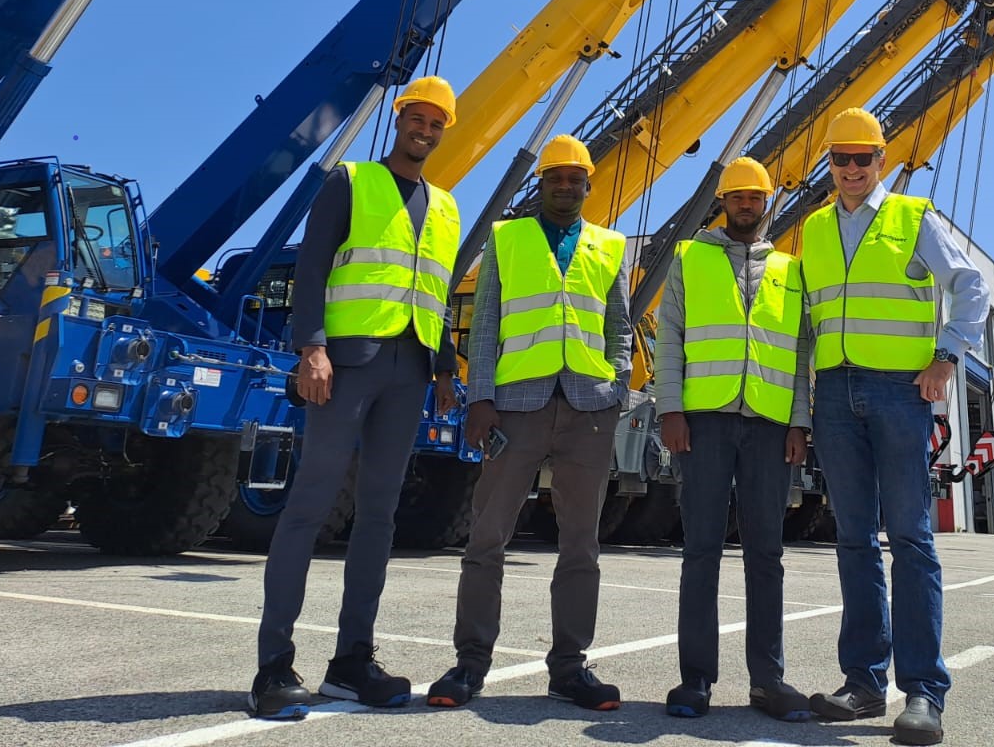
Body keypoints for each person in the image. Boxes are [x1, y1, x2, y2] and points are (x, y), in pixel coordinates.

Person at [249, 76, 462, 720]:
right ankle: (273, 668)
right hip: (346, 364)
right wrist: (311, 348)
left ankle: (350, 663)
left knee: (379, 515)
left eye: (435, 123)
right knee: (310, 505)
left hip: (411, 370)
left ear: (444, 131)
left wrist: (447, 368)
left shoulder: (448, 207)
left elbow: (438, 292)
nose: (424, 129)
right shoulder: (351, 181)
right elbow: (312, 268)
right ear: (400, 120)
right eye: (416, 118)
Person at [800, 109, 990, 747]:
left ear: (882, 160)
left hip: (899, 392)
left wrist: (946, 355)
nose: (852, 169)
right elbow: (805, 322)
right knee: (854, 540)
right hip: (834, 393)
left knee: (910, 539)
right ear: (828, 164)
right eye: (841, 159)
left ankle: (923, 693)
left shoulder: (913, 217)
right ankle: (862, 684)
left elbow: (970, 285)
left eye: (864, 158)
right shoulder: (815, 229)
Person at [427, 134, 632, 713]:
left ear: (589, 185)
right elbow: (485, 325)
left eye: (575, 178)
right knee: (487, 536)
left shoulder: (608, 246)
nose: (565, 185)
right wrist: (480, 399)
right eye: (555, 177)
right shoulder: (506, 239)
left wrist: (616, 385)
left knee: (581, 544)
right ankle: (470, 663)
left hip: (589, 409)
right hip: (515, 407)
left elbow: (620, 326)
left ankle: (570, 667)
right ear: (540, 185)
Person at [654, 158, 813, 723]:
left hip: (770, 425)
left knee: (766, 555)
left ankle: (768, 680)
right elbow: (668, 338)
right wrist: (670, 409)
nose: (746, 205)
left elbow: (800, 352)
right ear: (724, 201)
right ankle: (695, 679)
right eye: (737, 196)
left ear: (768, 203)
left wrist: (799, 422)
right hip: (704, 420)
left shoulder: (791, 269)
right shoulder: (690, 258)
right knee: (700, 549)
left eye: (755, 197)